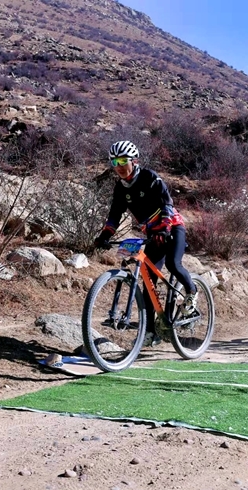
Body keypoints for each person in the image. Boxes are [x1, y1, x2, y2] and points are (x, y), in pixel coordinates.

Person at [93, 140, 197, 345]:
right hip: (153, 233)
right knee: (148, 280)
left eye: (123, 161)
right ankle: (151, 332)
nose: (119, 166)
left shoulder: (150, 178)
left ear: (134, 161)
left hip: (172, 227)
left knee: (173, 264)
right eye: (114, 162)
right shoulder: (120, 188)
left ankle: (192, 293)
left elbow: (167, 204)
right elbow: (115, 214)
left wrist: (165, 228)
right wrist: (105, 235)